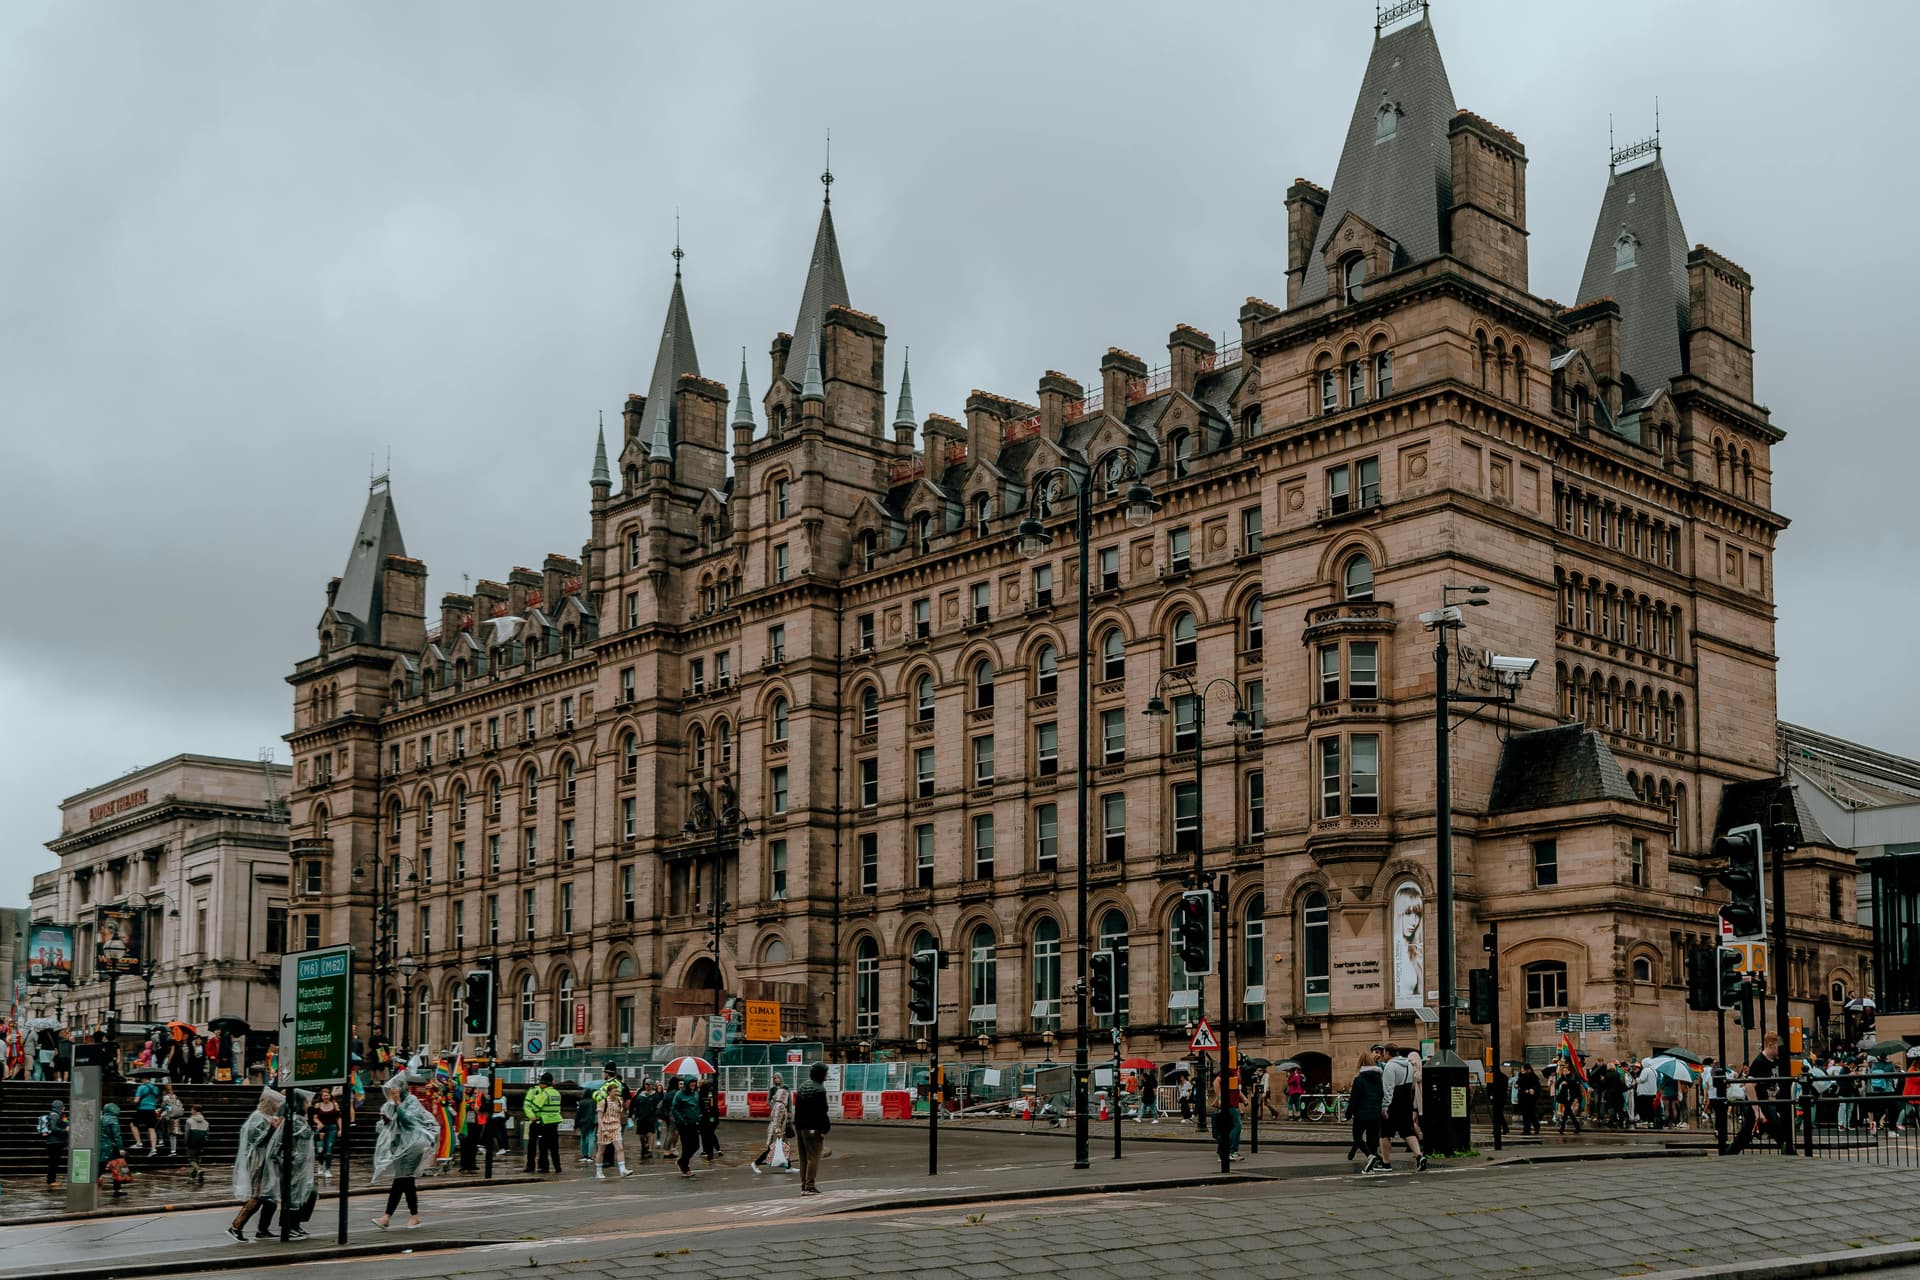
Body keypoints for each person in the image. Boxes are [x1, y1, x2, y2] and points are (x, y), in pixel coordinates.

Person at [372, 1077, 437, 1230]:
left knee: (403, 1178)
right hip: (399, 1145)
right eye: (390, 1089)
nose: (392, 1092)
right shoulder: (389, 1105)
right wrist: (385, 1121)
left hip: (414, 1144)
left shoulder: (412, 1101)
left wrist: (398, 1104)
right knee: (404, 1180)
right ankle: (411, 1216)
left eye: (394, 1089)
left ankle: (388, 1217)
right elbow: (382, 1126)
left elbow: (409, 1120)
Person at [257, 1090, 318, 1241]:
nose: (308, 1104)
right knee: (294, 1196)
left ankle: (295, 1225)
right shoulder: (295, 1121)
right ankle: (288, 1226)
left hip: (302, 1166)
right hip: (294, 1166)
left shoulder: (299, 1120)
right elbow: (282, 1144)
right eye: (306, 1102)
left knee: (306, 1193)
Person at [227, 1089, 285, 1243]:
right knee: (257, 1195)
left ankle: (263, 1229)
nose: (278, 1105)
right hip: (259, 1162)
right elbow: (256, 1141)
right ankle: (236, 1226)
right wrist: (271, 1129)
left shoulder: (269, 1117)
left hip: (267, 1162)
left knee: (269, 1197)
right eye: (276, 1102)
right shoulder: (257, 1117)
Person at [1377, 1044, 1426, 1172]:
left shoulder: (1390, 1066)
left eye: (1384, 1054)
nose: (1383, 1056)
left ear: (1388, 1053)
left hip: (1393, 1102)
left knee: (1384, 1134)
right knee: (1407, 1131)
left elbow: (1388, 1088)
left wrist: (1385, 1106)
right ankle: (1419, 1156)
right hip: (1406, 1101)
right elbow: (1412, 1083)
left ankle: (1386, 1164)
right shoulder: (1409, 1065)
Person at [792, 1062, 831, 1195]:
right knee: (813, 1157)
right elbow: (821, 1112)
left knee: (803, 1157)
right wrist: (824, 1129)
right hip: (813, 1128)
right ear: (820, 1074)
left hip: (800, 1127)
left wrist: (797, 1125)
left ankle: (804, 1185)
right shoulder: (819, 1089)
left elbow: (797, 1107)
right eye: (825, 1072)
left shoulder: (803, 1086)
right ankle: (810, 1186)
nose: (827, 1074)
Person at [1347, 1048, 1385, 1172]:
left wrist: (1348, 1113)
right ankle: (1373, 1160)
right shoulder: (1378, 1078)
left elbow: (1354, 1099)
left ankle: (1370, 1156)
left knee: (1357, 1137)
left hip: (1361, 1114)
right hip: (1375, 1114)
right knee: (1372, 1139)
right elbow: (1381, 1095)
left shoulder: (1359, 1079)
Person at [595, 1065, 632, 1179]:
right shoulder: (603, 1102)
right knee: (601, 1150)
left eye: (617, 1091)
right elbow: (599, 1118)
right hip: (604, 1128)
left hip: (616, 1127)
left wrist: (626, 1118)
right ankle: (599, 1171)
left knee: (620, 1148)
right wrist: (603, 1129)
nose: (617, 1092)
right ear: (609, 1092)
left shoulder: (619, 1101)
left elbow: (620, 1113)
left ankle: (622, 1170)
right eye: (615, 1091)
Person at [522, 1071, 562, 1174]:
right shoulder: (555, 1092)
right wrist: (532, 1116)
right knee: (548, 1146)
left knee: (542, 1145)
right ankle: (551, 1167)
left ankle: (541, 1167)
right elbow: (527, 1106)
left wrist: (534, 1115)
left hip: (542, 1122)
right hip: (549, 1122)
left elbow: (534, 1107)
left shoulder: (544, 1093)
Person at [750, 1073, 792, 1172]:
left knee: (785, 1145)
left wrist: (789, 1112)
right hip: (777, 1126)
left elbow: (789, 1101)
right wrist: (775, 1107)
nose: (776, 1079)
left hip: (781, 1122)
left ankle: (789, 1167)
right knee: (773, 1146)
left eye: (777, 1078)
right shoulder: (775, 1095)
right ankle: (756, 1163)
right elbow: (770, 1103)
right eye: (774, 1078)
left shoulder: (786, 1089)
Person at [670, 1078, 703, 1178]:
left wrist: (699, 1116)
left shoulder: (695, 1093)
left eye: (694, 1082)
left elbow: (697, 1106)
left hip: (694, 1123)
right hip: (684, 1124)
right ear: (687, 1083)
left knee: (696, 1145)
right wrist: (682, 1120)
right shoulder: (679, 1094)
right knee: (686, 1146)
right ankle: (685, 1167)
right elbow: (674, 1108)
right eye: (691, 1082)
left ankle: (682, 1161)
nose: (693, 1084)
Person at [38, 1098, 68, 1186]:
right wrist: (65, 1130)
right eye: (62, 1106)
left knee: (54, 1162)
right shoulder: (55, 1115)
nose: (64, 1108)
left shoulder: (58, 1115)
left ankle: (52, 1180)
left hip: (56, 1142)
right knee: (53, 1162)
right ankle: (51, 1181)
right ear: (59, 1107)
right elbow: (53, 1128)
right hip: (54, 1143)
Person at [313, 1087, 341, 1177]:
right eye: (324, 1096)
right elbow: (315, 1117)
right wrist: (319, 1123)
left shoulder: (335, 1105)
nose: (326, 1097)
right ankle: (321, 1165)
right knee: (320, 1149)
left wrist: (340, 1129)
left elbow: (338, 1117)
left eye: (327, 1095)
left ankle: (328, 1169)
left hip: (332, 1128)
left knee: (329, 1149)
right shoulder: (318, 1105)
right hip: (322, 1129)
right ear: (321, 1097)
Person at [132, 1075, 163, 1156]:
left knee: (133, 1124)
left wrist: (133, 1100)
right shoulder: (155, 1088)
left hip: (142, 1109)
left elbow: (136, 1100)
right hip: (152, 1110)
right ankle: (153, 1149)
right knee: (151, 1129)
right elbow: (156, 1098)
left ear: (143, 1078)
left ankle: (139, 1142)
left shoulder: (141, 1087)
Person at [186, 1105, 211, 1185]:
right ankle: (193, 1177)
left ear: (195, 1111)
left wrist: (186, 1142)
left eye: (191, 1110)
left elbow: (187, 1133)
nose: (191, 1111)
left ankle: (199, 1171)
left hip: (192, 1142)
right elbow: (207, 1134)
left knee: (191, 1160)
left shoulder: (189, 1121)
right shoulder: (206, 1122)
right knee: (197, 1160)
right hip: (201, 1143)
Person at [575, 1086, 598, 1166]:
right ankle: (589, 1156)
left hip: (582, 1122)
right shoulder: (595, 1102)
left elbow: (578, 1114)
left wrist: (576, 1123)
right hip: (592, 1122)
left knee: (583, 1138)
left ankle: (584, 1155)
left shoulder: (581, 1102)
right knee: (591, 1138)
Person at [1517, 1064, 1542, 1135]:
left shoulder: (1533, 1077)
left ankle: (1536, 1126)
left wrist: (1532, 1089)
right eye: (1522, 1069)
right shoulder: (1521, 1076)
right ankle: (1526, 1130)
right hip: (1523, 1098)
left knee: (1531, 1114)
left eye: (1523, 1069)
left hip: (1530, 1099)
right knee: (1525, 1115)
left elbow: (1536, 1086)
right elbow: (1519, 1084)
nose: (1522, 1070)